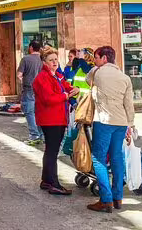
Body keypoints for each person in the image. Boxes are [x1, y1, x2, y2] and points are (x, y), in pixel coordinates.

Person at [85, 46, 135, 213]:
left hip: (104, 121)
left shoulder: (97, 73)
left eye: (97, 58)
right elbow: (129, 104)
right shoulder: (125, 77)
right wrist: (130, 124)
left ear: (104, 58)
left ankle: (105, 199)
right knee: (117, 158)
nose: (95, 61)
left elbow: (87, 79)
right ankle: (117, 197)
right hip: (121, 122)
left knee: (98, 159)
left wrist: (96, 67)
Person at [32, 46, 80, 196]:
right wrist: (66, 96)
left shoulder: (56, 75)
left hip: (57, 118)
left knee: (51, 151)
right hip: (50, 119)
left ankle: (47, 180)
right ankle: (54, 183)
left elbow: (66, 86)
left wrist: (74, 89)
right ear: (44, 62)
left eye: (56, 59)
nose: (55, 62)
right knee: (52, 152)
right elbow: (48, 99)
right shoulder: (42, 78)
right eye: (51, 60)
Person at [17, 40, 43, 145]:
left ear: (31, 47)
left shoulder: (25, 59)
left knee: (29, 112)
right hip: (41, 90)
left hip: (29, 89)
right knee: (39, 112)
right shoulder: (43, 59)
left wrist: (22, 81)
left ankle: (34, 135)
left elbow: (19, 75)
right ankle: (41, 135)